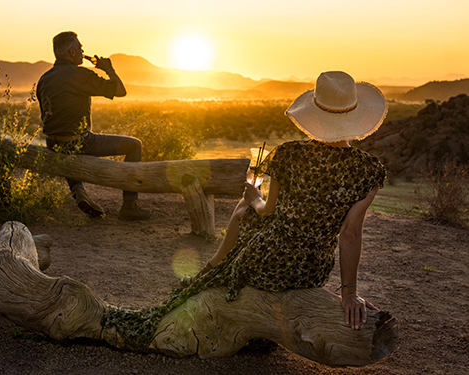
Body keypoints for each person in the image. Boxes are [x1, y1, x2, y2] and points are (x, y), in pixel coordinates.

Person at [104, 71, 388, 349]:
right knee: (250, 215)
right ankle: (211, 273)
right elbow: (349, 234)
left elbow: (267, 212)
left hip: (267, 259)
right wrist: (349, 294)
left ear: (314, 113)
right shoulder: (368, 170)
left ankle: (209, 271)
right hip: (309, 271)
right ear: (354, 114)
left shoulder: (288, 154)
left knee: (246, 208)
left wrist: (253, 197)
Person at [36, 31, 151, 220]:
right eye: (80, 48)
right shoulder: (80, 75)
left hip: (53, 144)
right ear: (72, 52)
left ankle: (78, 189)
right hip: (80, 143)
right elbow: (121, 91)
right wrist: (108, 69)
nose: (83, 52)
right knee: (134, 144)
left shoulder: (44, 78)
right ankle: (130, 205)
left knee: (65, 139)